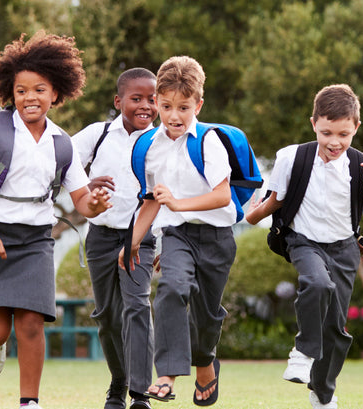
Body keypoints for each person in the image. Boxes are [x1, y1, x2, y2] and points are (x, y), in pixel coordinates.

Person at [0, 31, 112, 409]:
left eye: (39, 90)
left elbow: (81, 201)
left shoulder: (63, 143)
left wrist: (96, 205)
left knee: (31, 323)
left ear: (56, 93)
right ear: (11, 93)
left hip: (36, 240)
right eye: (21, 91)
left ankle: (29, 402)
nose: (30, 98)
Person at [243, 84, 363, 409]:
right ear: (314, 122)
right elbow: (276, 201)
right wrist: (251, 215)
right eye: (326, 132)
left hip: (344, 248)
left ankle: (323, 391)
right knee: (316, 282)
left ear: (356, 127)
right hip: (303, 241)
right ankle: (302, 350)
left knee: (336, 329)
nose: (334, 142)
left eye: (343, 134)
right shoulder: (291, 158)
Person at [118, 55, 233, 407]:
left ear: (197, 104)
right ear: (157, 102)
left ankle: (204, 363)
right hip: (178, 236)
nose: (174, 116)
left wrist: (178, 202)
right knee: (171, 288)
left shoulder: (209, 141)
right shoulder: (150, 146)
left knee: (206, 317)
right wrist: (132, 241)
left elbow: (222, 195)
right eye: (166, 106)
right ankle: (166, 375)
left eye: (183, 107)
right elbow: (153, 199)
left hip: (216, 238)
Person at [72, 67, 159, 409]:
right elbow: (64, 165)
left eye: (152, 100)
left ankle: (140, 393)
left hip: (141, 237)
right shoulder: (98, 134)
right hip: (100, 237)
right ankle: (118, 382)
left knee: (137, 307)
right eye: (136, 99)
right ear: (118, 100)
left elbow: (166, 195)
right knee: (108, 316)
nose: (145, 106)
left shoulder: (162, 140)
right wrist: (85, 185)